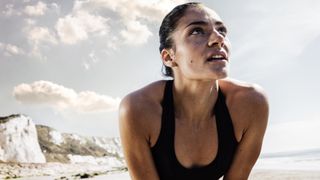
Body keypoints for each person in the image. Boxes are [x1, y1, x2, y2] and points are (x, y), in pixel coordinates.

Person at [119, 2, 269, 180]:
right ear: (169, 57)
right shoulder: (139, 109)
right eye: (197, 31)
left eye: (222, 31)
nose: (218, 38)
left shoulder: (251, 103)